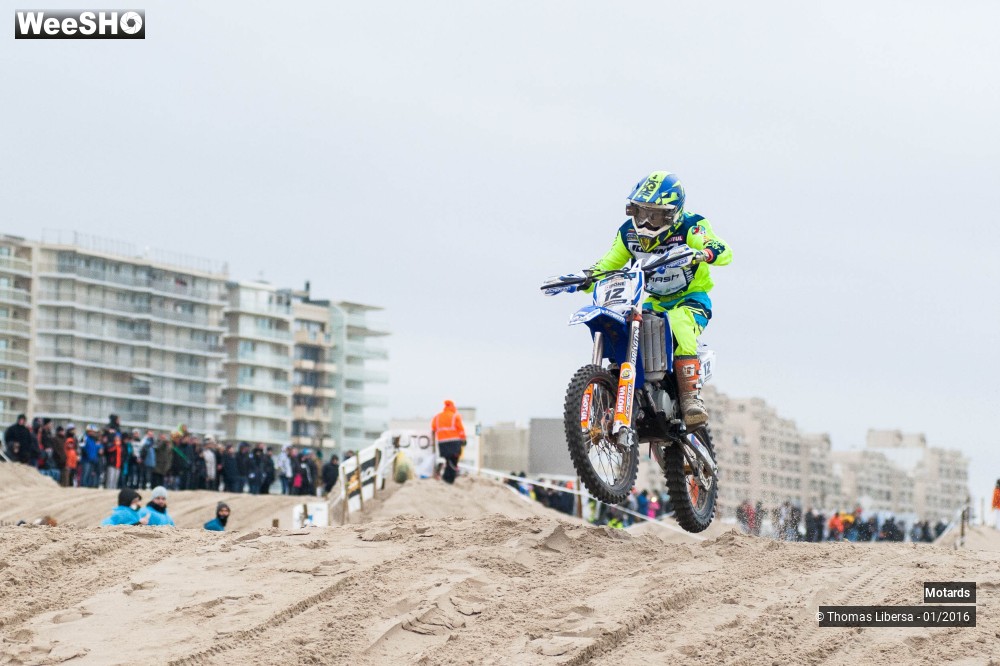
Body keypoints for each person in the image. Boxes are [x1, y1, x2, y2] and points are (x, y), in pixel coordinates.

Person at [552, 171, 733, 427]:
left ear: (673, 214)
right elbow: (608, 264)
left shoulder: (692, 227)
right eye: (640, 213)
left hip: (690, 299)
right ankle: (618, 390)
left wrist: (705, 252)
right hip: (653, 301)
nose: (646, 223)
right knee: (624, 321)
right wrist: (585, 278)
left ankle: (690, 398)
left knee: (680, 324)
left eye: (655, 215)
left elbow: (720, 248)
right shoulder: (628, 234)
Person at [431, 400, 466, 484]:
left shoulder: (437, 417)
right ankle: (448, 479)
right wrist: (463, 440)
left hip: (442, 443)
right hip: (454, 443)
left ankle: (447, 478)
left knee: (448, 460)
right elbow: (461, 430)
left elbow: (433, 429)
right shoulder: (455, 416)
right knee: (453, 461)